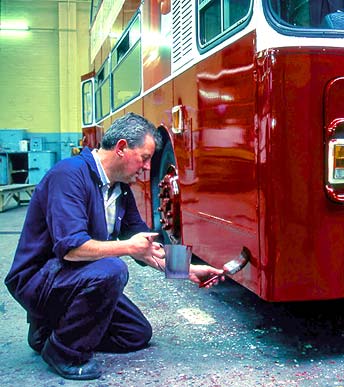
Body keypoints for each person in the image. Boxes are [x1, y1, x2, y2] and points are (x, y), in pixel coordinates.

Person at [4, 113, 224, 380]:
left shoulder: (120, 190)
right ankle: (63, 351)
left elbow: (145, 242)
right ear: (121, 148)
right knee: (112, 269)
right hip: (37, 280)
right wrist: (127, 247)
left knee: (135, 334)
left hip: (74, 278)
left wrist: (189, 269)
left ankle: (49, 329)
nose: (146, 168)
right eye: (144, 158)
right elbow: (71, 248)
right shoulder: (69, 175)